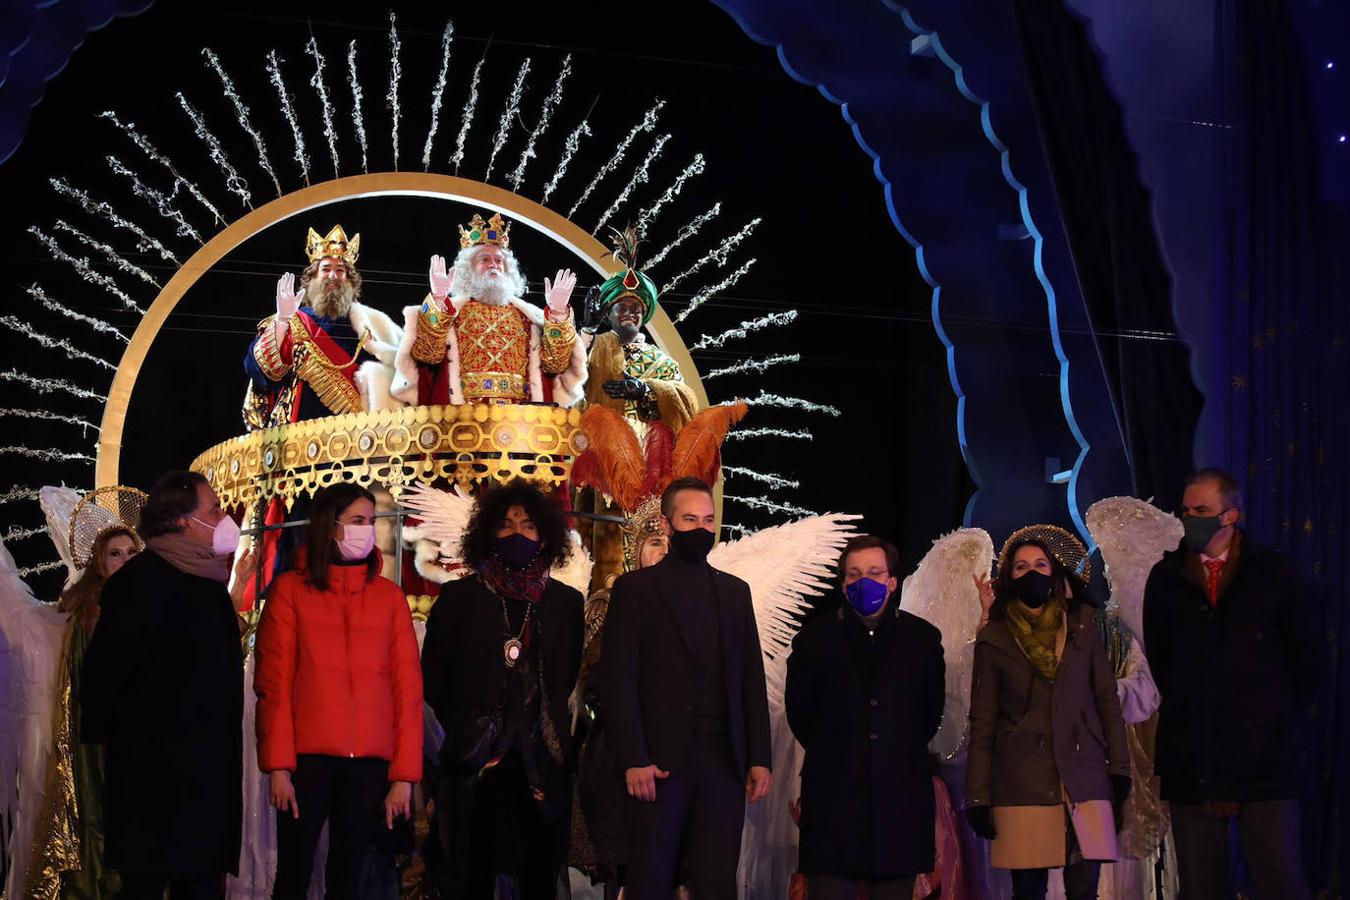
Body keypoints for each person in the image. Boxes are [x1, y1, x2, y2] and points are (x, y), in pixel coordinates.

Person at [1142, 468, 1319, 900]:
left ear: (1230, 516)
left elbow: (1306, 662)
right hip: (1194, 759)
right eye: (1185, 510)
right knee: (1202, 886)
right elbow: (1163, 662)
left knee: (1280, 879)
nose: (1189, 519)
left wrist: (1263, 716)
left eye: (1201, 510)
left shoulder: (1273, 574)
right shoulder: (1166, 580)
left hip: (1264, 761)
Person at [80, 472, 253, 899]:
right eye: (213, 509)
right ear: (181, 521)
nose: (223, 517)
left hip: (207, 778)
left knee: (201, 884)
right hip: (152, 782)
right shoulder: (137, 584)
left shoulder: (210, 585)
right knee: (146, 884)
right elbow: (105, 676)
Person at [601, 475, 773, 900]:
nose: (701, 529)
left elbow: (751, 678)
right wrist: (634, 758)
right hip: (657, 767)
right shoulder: (634, 591)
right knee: (650, 881)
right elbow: (618, 681)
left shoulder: (735, 593)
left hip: (723, 765)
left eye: (709, 520)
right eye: (690, 519)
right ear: (666, 523)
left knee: (716, 883)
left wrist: (759, 758)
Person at [253, 483, 424, 898]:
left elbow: (407, 691)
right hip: (306, 762)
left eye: (371, 521)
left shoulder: (390, 598)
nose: (367, 530)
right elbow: (273, 686)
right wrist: (278, 767)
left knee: (349, 878)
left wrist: (403, 778)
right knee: (293, 874)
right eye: (357, 522)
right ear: (330, 526)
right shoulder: (290, 592)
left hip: (369, 764)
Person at [420, 479, 584, 900]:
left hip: (542, 763)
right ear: (488, 533)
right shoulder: (458, 599)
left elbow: (568, 674)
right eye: (507, 524)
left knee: (537, 880)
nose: (518, 534)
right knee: (469, 878)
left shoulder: (565, 603)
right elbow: (434, 681)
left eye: (528, 526)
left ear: (545, 535)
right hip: (474, 762)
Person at [965, 525, 1130, 900]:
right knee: (1027, 891)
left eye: (1041, 564)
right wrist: (977, 796)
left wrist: (1119, 769)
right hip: (1021, 778)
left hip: (1084, 776)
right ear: (1008, 577)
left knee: (1085, 889)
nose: (1032, 573)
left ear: (1055, 572)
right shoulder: (994, 637)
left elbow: (1107, 702)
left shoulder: (1083, 625)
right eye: (1021, 567)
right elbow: (983, 722)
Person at [785, 534, 945, 900]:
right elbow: (801, 713)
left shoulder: (922, 640)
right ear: (842, 583)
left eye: (874, 572)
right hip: (833, 805)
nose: (864, 582)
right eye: (854, 574)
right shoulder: (813, 641)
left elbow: (929, 714)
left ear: (892, 581)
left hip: (899, 803)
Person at [26, 487, 146, 899]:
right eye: (116, 554)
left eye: (132, 553)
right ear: (98, 562)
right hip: (101, 739)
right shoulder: (89, 611)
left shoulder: (149, 604)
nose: (126, 561)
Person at [569, 507, 671, 894]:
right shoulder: (609, 603)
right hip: (615, 751)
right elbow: (593, 677)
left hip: (673, 755)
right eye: (654, 542)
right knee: (622, 860)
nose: (663, 551)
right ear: (634, 549)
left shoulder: (693, 604)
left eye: (669, 543)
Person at [393, 212, 587, 407]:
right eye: (484, 259)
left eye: (499, 261)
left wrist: (558, 315)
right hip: (462, 416)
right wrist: (438, 300)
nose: (493, 264)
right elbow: (427, 355)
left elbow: (555, 364)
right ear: (468, 269)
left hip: (521, 419)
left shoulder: (528, 317)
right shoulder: (452, 312)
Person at [244, 224, 403, 427]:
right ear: (312, 279)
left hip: (363, 440)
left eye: (340, 270)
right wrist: (282, 321)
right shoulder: (293, 321)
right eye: (325, 269)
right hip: (299, 442)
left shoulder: (372, 326)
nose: (333, 276)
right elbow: (261, 372)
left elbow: (402, 378)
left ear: (350, 281)